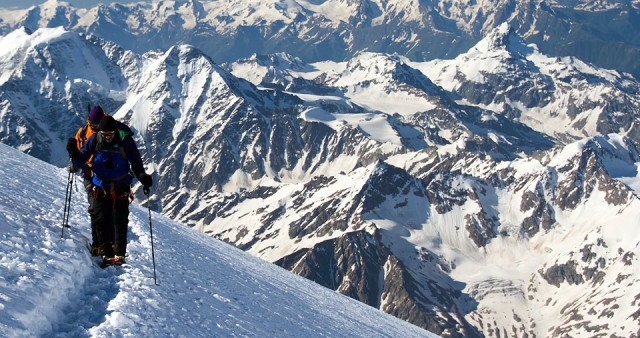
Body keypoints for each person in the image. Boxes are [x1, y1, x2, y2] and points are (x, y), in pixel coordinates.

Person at [68, 115, 153, 266]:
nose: (107, 137)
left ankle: (119, 254)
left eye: (110, 134)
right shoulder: (95, 139)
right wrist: (74, 152)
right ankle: (106, 254)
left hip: (119, 186)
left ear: (115, 131)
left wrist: (142, 176)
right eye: (104, 134)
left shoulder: (125, 140)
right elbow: (81, 160)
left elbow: (136, 162)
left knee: (119, 220)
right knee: (102, 220)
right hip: (101, 185)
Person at [67, 105, 107, 256]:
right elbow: (79, 154)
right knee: (96, 208)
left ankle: (105, 244)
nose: (96, 128)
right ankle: (98, 244)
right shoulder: (83, 132)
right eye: (94, 125)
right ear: (89, 121)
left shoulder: (109, 131)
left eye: (98, 125)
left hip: (107, 177)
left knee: (104, 210)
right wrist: (73, 157)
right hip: (90, 175)